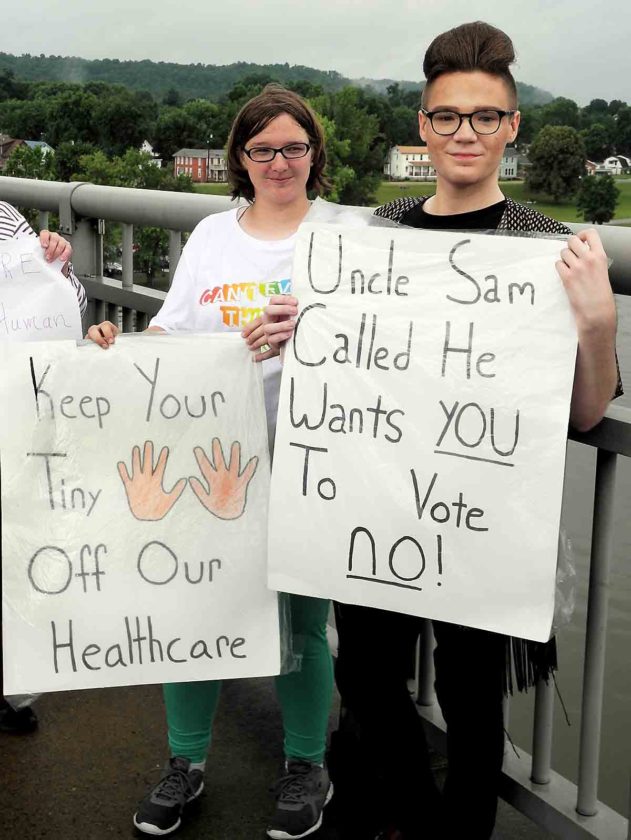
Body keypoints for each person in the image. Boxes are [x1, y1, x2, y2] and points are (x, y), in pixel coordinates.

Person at [259, 22, 620, 840]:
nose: (465, 132)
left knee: (469, 694)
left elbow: (586, 414)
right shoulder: (373, 235)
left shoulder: (547, 247)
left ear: (511, 125)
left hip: (483, 518)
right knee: (365, 673)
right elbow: (344, 359)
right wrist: (300, 330)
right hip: (374, 503)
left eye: (484, 116)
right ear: (423, 126)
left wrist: (597, 324)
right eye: (448, 116)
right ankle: (419, 823)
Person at [86, 85, 334, 839]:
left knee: (302, 624)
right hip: (213, 455)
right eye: (263, 149)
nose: (279, 162)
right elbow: (170, 333)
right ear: (241, 158)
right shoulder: (210, 235)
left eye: (294, 147)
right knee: (195, 607)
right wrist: (117, 349)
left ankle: (306, 764)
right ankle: (185, 762)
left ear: (314, 153)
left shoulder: (346, 234)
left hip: (309, 461)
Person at [0, 201, 87, 735]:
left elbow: (67, 310)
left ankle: (8, 686)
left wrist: (58, 267)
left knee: (11, 546)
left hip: (12, 411)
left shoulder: (5, 219)